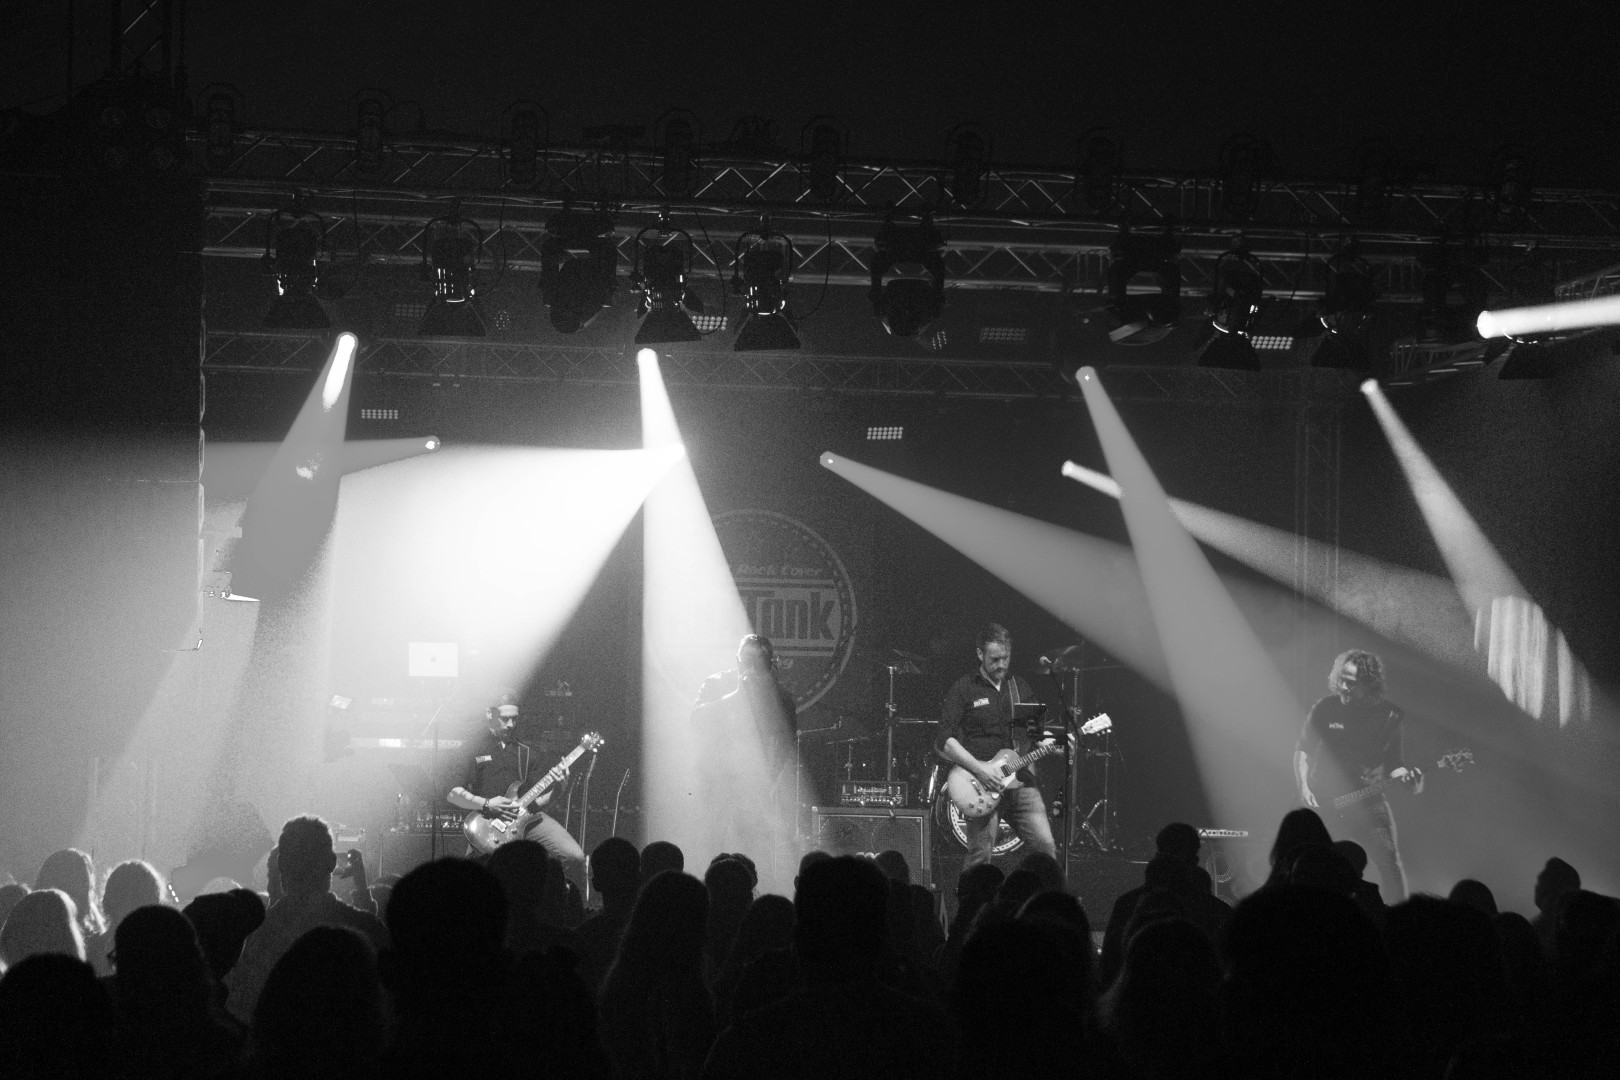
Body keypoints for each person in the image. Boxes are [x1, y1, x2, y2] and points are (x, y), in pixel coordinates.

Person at [224, 815, 388, 1023]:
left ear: (281, 864)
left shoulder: (260, 935)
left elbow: (241, 1011)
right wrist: (362, 891)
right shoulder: (365, 929)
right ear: (331, 863)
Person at [1295, 649, 1423, 902]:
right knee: (1313, 865)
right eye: (1341, 679)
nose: (1343, 686)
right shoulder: (1325, 707)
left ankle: (1397, 917)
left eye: (1351, 683)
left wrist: (1409, 778)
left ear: (1368, 684)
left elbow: (1395, 763)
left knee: (1389, 863)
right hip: (1325, 801)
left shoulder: (1390, 715)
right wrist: (1304, 788)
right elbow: (1303, 751)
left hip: (1369, 802)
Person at [934, 623, 1056, 868]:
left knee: (1046, 850)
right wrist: (980, 770)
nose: (1001, 665)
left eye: (1006, 658)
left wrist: (1052, 741)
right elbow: (944, 740)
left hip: (1021, 779)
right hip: (981, 784)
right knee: (979, 858)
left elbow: (1035, 731)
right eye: (995, 659)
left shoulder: (1019, 686)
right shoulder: (964, 688)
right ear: (980, 654)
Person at [445, 690, 586, 877]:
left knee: (574, 856)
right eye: (504, 719)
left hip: (525, 820)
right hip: (487, 823)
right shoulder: (471, 749)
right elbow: (453, 793)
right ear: (490, 714)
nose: (510, 724)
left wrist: (558, 791)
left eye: (514, 719)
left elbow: (536, 804)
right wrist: (487, 804)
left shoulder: (527, 753)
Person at [690, 636, 798, 862]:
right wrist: (736, 696)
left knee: (753, 852)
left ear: (771, 664)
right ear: (738, 661)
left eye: (760, 660)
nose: (753, 666)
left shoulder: (781, 697)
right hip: (715, 783)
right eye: (748, 659)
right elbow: (696, 719)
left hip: (754, 788)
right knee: (711, 848)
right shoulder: (716, 683)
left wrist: (770, 780)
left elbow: (786, 744)